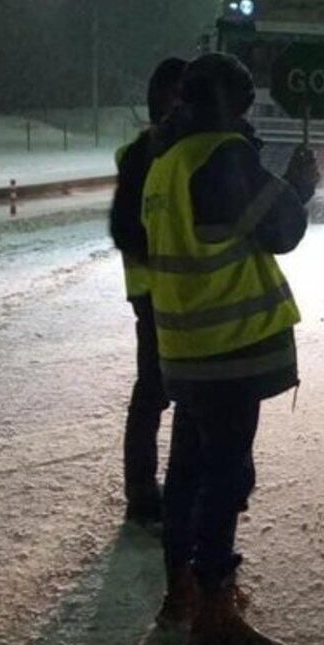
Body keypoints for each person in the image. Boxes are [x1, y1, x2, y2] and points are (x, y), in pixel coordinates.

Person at [143, 52, 318, 645]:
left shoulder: (166, 161)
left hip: (183, 348)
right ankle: (214, 612)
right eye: (244, 107)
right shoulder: (221, 156)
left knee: (187, 473)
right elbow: (282, 229)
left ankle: (182, 593)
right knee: (224, 478)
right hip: (229, 347)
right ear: (231, 104)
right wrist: (298, 187)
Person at [109, 57, 187, 528]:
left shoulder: (151, 152)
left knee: (157, 394)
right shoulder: (153, 154)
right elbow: (126, 229)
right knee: (162, 394)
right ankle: (148, 494)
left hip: (157, 293)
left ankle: (149, 492)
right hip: (163, 295)